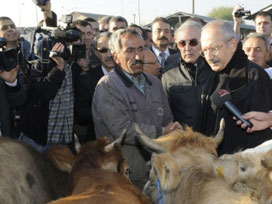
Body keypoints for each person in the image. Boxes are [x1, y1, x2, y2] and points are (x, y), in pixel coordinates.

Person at [92, 28, 181, 190]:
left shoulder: (154, 83)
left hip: (156, 171)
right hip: (123, 178)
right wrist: (161, 132)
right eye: (130, 51)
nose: (138, 57)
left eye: (141, 49)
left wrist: (173, 130)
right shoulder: (107, 86)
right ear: (115, 57)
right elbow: (122, 129)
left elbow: (167, 119)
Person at [200, 20, 272, 155]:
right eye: (205, 51)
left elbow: (260, 134)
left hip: (242, 165)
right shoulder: (210, 74)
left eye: (214, 48)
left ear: (232, 45)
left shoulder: (255, 76)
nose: (209, 57)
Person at [162, 21, 213, 130]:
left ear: (204, 42)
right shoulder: (168, 76)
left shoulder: (217, 70)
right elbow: (166, 115)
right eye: (182, 43)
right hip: (185, 142)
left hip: (214, 141)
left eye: (193, 42)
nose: (187, 48)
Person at [74, 32, 114, 144]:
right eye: (103, 50)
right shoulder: (86, 79)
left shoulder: (131, 77)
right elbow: (81, 114)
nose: (109, 54)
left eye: (112, 49)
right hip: (97, 143)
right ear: (96, 53)